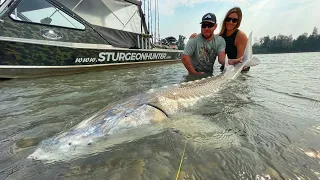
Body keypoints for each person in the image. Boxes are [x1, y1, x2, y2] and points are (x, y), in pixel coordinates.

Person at [189, 7, 249, 72]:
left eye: (234, 20)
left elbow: (241, 61)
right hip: (225, 68)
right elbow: (207, 37)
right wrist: (195, 37)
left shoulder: (241, 36)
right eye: (228, 19)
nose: (230, 22)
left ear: (238, 22)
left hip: (240, 69)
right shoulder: (219, 37)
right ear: (225, 20)